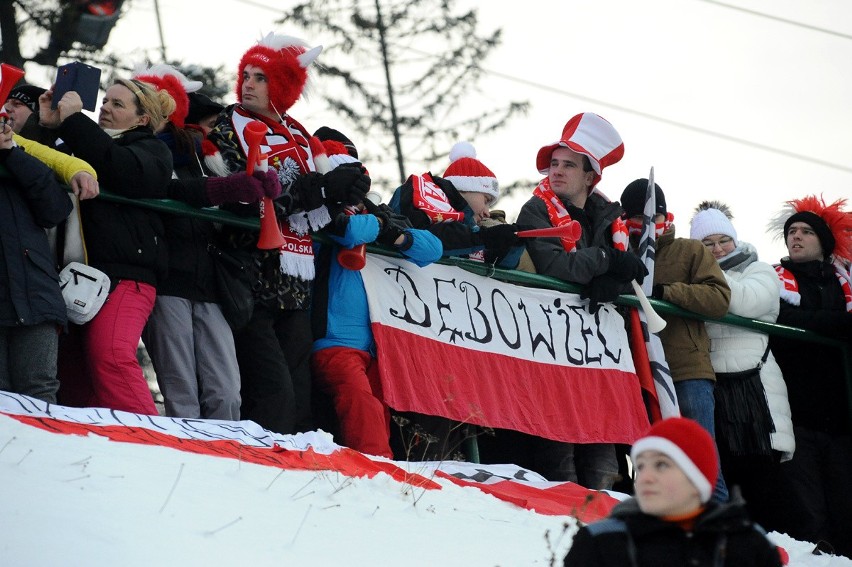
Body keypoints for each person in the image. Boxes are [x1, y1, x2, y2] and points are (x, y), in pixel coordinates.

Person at [207, 33, 370, 435]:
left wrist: (345, 192)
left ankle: (300, 479)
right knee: (272, 391)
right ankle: (266, 471)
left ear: (283, 85)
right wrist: (314, 190)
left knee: (299, 393)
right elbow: (241, 200)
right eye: (245, 74)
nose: (247, 84)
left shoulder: (301, 135)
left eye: (260, 77)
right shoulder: (227, 127)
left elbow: (322, 213)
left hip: (295, 284)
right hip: (249, 274)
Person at [131, 64, 279, 421]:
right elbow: (171, 190)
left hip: (210, 282)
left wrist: (257, 190)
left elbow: (224, 199)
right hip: (167, 280)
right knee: (182, 394)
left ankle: (224, 468)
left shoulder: (201, 152)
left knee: (227, 395)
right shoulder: (141, 149)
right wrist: (226, 188)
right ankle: (191, 469)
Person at [512, 112, 646, 489]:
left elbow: (630, 275)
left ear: (590, 176)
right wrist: (605, 262)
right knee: (562, 459)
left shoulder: (610, 218)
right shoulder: (535, 209)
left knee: (604, 461)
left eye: (568, 165)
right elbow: (554, 265)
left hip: (599, 351)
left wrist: (611, 281)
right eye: (553, 164)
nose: (556, 171)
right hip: (552, 346)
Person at [38, 76, 175, 415]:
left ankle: (154, 440)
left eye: (118, 104)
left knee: (110, 354)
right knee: (73, 371)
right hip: (73, 275)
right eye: (105, 102)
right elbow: (38, 163)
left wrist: (74, 122)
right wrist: (46, 126)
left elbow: (119, 167)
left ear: (142, 119)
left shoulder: (152, 150)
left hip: (126, 276)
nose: (106, 110)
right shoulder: (80, 144)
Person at [311, 130, 442, 458]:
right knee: (361, 402)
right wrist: (382, 227)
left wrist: (390, 231)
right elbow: (352, 230)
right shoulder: (319, 207)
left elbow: (432, 248)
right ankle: (376, 469)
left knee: (385, 405)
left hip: (381, 341)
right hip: (335, 340)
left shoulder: (374, 209)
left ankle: (385, 474)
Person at [620, 180, 731, 502]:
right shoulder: (620, 251)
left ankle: (717, 537)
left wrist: (666, 293)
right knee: (650, 467)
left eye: (649, 217)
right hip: (637, 372)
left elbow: (718, 298)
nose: (644, 226)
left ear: (664, 215)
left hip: (687, 371)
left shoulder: (690, 250)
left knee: (702, 465)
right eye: (635, 218)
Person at [689, 201, 794, 526]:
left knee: (763, 485)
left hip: (756, 391)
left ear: (735, 239)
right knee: (724, 476)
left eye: (723, 240)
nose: (718, 248)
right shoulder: (697, 277)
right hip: (714, 387)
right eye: (707, 244)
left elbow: (749, 301)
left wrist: (705, 275)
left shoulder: (758, 269)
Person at [563, 417, 783, 566]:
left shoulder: (748, 543)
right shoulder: (602, 541)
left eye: (661, 465)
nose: (645, 477)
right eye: (640, 466)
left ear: (696, 477)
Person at [766, 195, 852, 557]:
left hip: (841, 418)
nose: (795, 237)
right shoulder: (773, 278)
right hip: (796, 415)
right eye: (791, 232)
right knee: (809, 515)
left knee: (847, 512)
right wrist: (840, 326)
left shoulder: (843, 283)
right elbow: (786, 319)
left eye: (805, 231)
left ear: (824, 241)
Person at [0, 109, 73, 403]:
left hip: (34, 292)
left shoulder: (18, 157)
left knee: (39, 390)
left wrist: (11, 153)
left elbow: (55, 209)